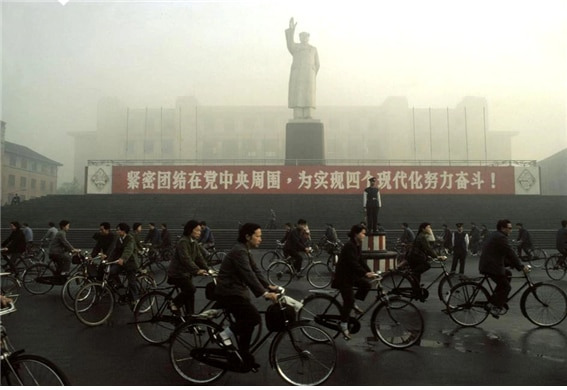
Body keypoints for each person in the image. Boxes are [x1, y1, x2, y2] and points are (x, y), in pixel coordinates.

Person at [214, 222, 279, 371]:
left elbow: (255, 271)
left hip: (236, 291)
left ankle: (243, 357)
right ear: (248, 236)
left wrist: (269, 286)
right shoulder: (239, 251)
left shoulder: (244, 250)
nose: (260, 239)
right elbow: (248, 274)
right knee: (254, 318)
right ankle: (223, 335)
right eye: (258, 236)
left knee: (247, 325)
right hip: (229, 292)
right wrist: (264, 293)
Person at [334, 224, 377, 340]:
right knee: (348, 300)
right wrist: (365, 273)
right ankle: (343, 325)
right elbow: (353, 263)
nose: (364, 235)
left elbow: (360, 260)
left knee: (366, 285)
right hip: (343, 277)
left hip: (351, 276)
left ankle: (352, 303)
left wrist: (370, 271)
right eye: (363, 233)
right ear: (355, 234)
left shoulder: (357, 245)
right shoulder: (349, 246)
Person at [479, 219, 530, 318]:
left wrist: (511, 264)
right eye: (509, 228)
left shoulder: (497, 235)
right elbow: (509, 252)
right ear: (503, 228)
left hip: (490, 264)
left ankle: (495, 301)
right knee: (507, 287)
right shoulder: (500, 237)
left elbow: (500, 253)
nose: (511, 230)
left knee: (507, 275)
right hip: (491, 266)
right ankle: (495, 307)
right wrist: (521, 266)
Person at [167, 220, 208, 315]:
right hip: (176, 274)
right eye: (197, 230)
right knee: (191, 289)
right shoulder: (183, 242)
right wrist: (197, 270)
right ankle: (174, 303)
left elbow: (199, 258)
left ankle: (190, 322)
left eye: (200, 230)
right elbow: (186, 259)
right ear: (190, 230)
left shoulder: (194, 242)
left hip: (185, 274)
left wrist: (208, 269)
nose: (199, 232)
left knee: (190, 298)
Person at [285, 17, 320, 120]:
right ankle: (298, 113)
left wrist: (313, 72)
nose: (304, 38)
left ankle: (308, 113)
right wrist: (291, 31)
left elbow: (317, 63)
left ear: (308, 38)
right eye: (302, 37)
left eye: (305, 37)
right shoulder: (296, 48)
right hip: (298, 74)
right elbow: (289, 44)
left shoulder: (313, 49)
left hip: (309, 75)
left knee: (308, 94)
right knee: (298, 93)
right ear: (299, 38)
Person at [407, 222, 447, 289]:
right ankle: (413, 274)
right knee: (426, 265)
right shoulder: (422, 237)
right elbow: (428, 248)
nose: (430, 229)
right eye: (428, 227)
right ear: (423, 229)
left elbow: (424, 248)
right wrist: (437, 256)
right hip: (415, 257)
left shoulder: (421, 235)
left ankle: (416, 290)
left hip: (414, 256)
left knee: (417, 276)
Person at [109, 223, 141, 305]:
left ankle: (136, 300)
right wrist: (108, 260)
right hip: (122, 262)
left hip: (131, 263)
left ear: (123, 231)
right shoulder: (119, 239)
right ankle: (120, 286)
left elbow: (128, 250)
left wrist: (123, 258)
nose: (117, 231)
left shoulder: (130, 238)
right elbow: (115, 251)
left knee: (131, 282)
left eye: (118, 230)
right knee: (112, 271)